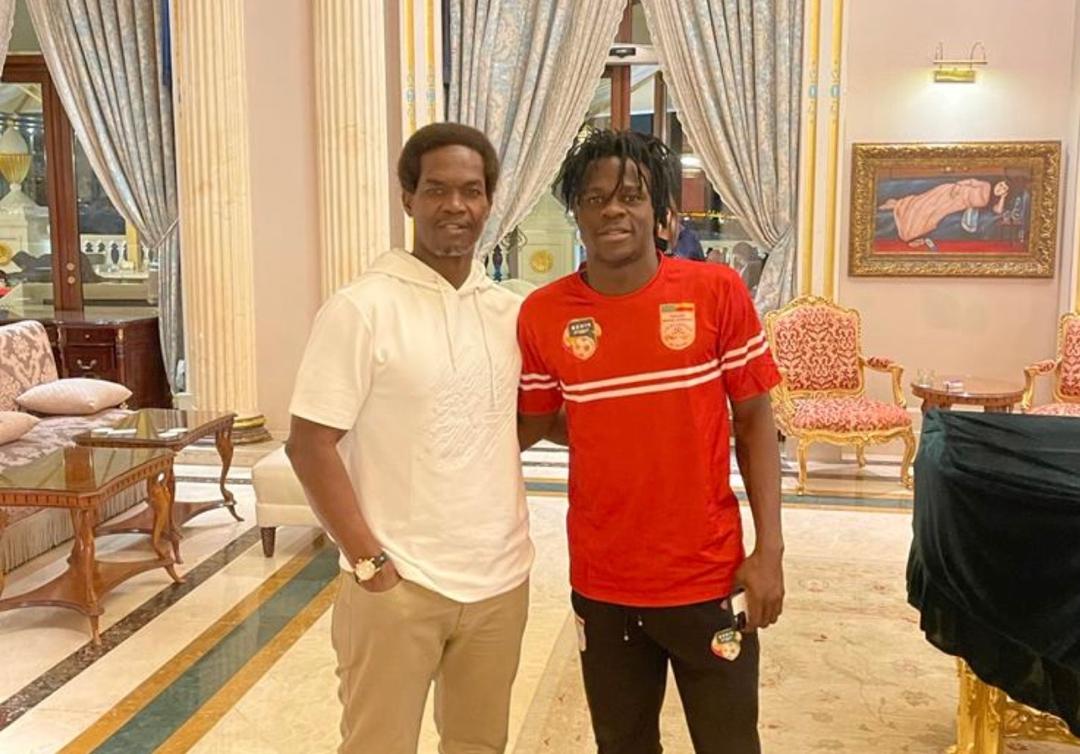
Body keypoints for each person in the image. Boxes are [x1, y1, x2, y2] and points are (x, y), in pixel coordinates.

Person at [517, 129, 785, 754]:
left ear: (659, 210)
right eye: (595, 198)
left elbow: (754, 420)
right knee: (622, 745)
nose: (613, 210)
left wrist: (769, 549)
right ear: (576, 210)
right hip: (603, 584)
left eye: (631, 196)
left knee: (730, 744)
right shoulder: (543, 314)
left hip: (708, 579)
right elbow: (536, 422)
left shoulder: (715, 291)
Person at [287, 122, 533, 754]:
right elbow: (309, 444)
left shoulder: (508, 313)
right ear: (408, 198)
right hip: (399, 582)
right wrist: (369, 561)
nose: (456, 205)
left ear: (489, 200)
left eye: (471, 191)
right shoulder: (362, 308)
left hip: (501, 581)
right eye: (437, 189)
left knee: (480, 746)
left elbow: (514, 421)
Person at [879, 178, 1010, 249]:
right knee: (924, 204)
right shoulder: (986, 185)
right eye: (1001, 184)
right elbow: (970, 181)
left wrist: (1003, 197)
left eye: (1004, 189)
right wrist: (957, 187)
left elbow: (998, 211)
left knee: (931, 217)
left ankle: (907, 223)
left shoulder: (992, 201)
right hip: (951, 192)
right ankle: (899, 205)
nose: (1000, 188)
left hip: (956, 205)